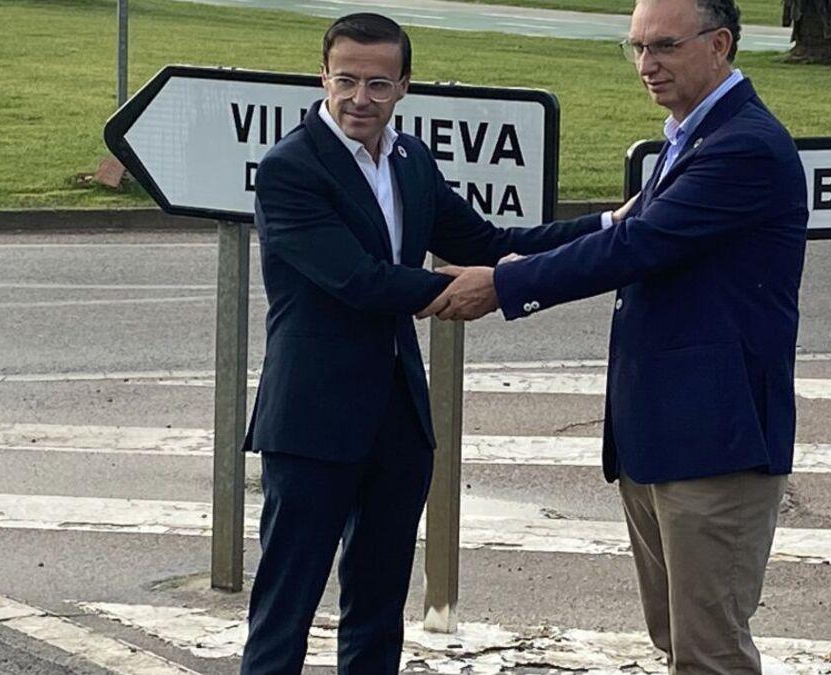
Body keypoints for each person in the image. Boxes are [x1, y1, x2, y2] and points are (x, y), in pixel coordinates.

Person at [428, 0, 809, 672]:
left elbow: (637, 247)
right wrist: (524, 253)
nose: (645, 65)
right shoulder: (689, 136)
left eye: (663, 46)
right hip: (661, 435)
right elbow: (620, 230)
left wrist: (504, 286)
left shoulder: (742, 146)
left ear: (719, 45)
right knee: (676, 639)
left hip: (716, 441)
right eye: (635, 46)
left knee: (710, 652)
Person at [239, 13, 601, 675]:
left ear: (404, 85)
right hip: (312, 421)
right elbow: (356, 279)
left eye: (378, 84)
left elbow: (487, 244)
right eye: (345, 80)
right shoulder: (290, 169)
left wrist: (605, 229)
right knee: (284, 608)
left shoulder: (411, 161)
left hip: (398, 418)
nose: (359, 99)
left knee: (378, 607)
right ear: (322, 75)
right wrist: (461, 292)